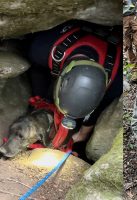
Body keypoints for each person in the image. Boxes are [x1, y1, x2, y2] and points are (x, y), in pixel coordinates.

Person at [26, 20, 123, 152]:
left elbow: (101, 106)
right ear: (60, 76)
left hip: (113, 46)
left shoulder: (117, 80)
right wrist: (42, 100)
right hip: (72, 33)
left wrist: (82, 135)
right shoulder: (41, 48)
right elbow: (37, 70)